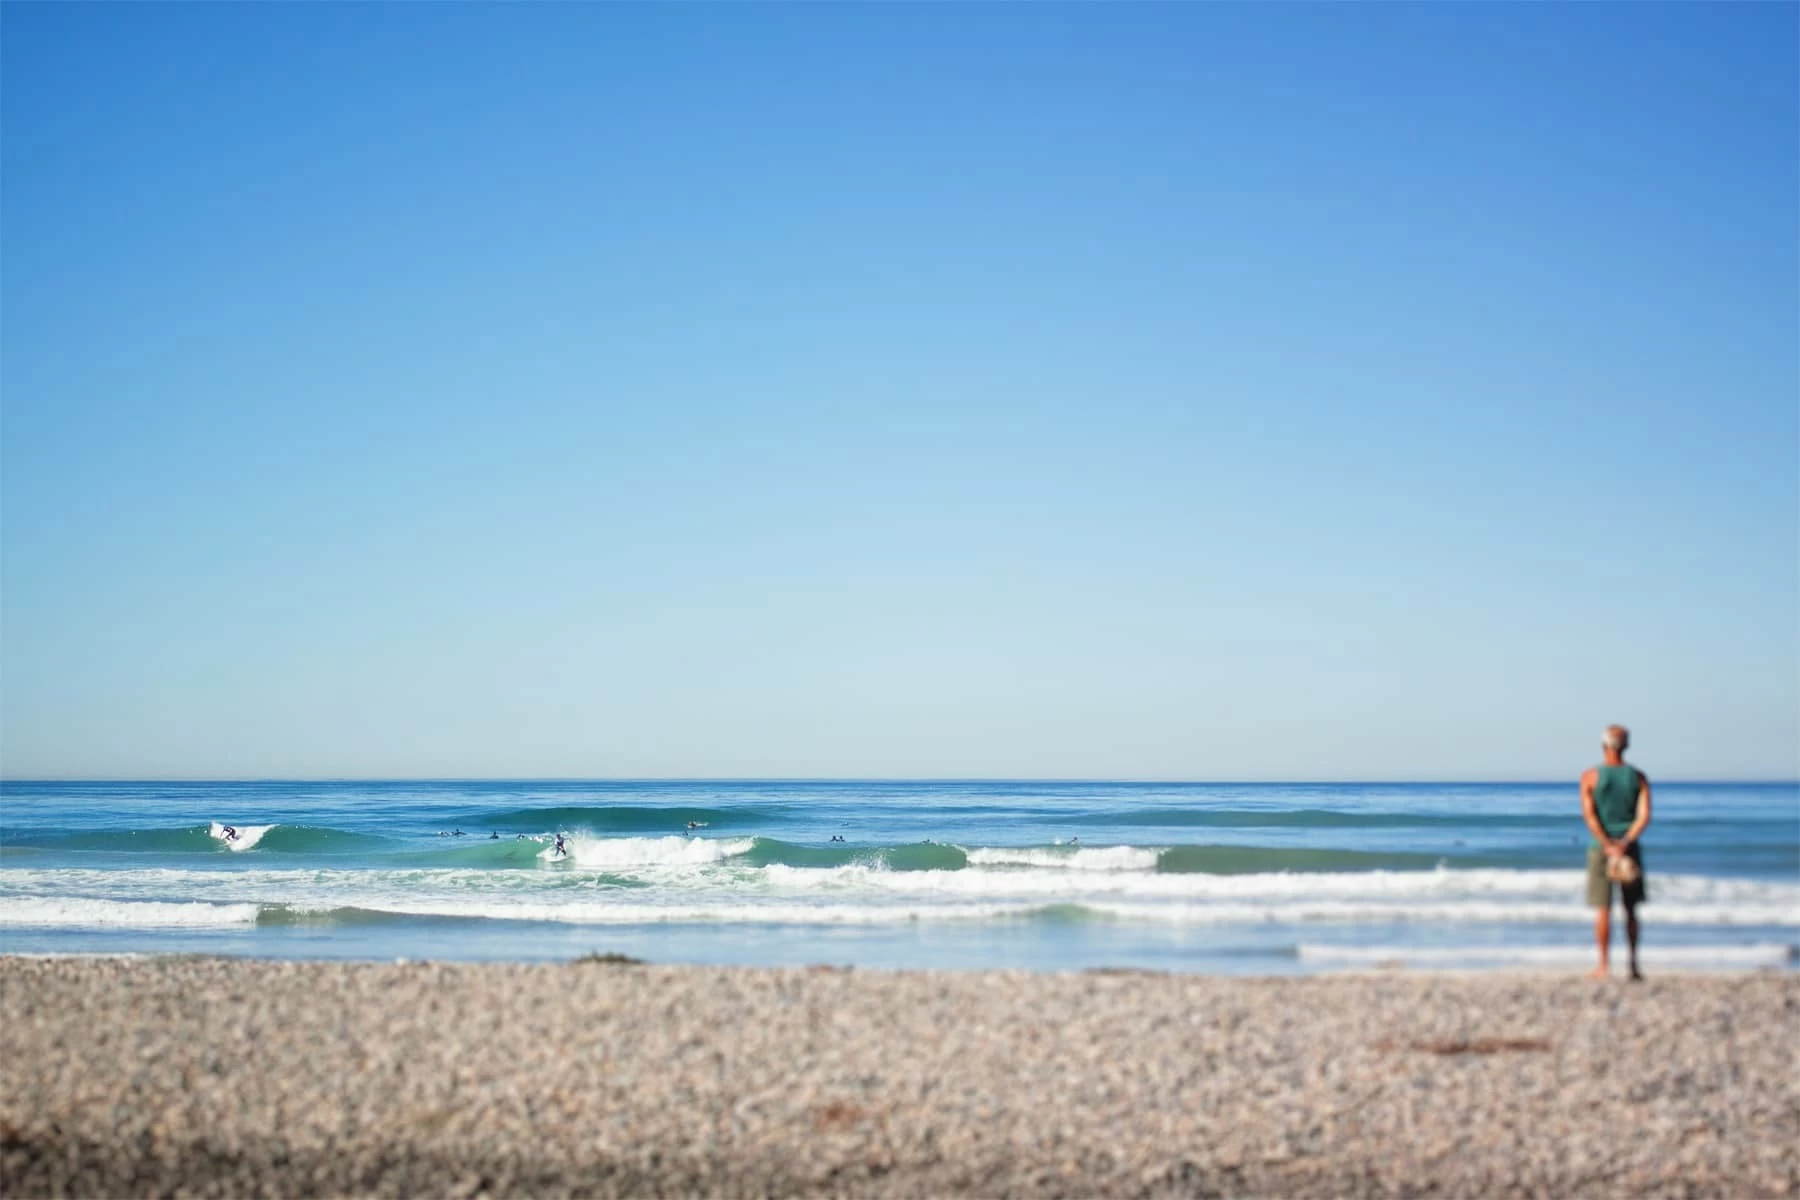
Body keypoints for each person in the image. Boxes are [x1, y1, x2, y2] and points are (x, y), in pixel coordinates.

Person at [1580, 725, 1652, 980]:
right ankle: (1633, 965)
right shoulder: (1638, 777)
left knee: (1603, 908)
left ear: (1604, 746)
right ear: (1626, 746)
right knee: (1631, 909)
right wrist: (1625, 842)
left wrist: (1607, 844)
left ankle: (1603, 965)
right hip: (1629, 848)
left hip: (1601, 849)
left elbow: (1590, 816)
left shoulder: (1590, 777)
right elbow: (1644, 816)